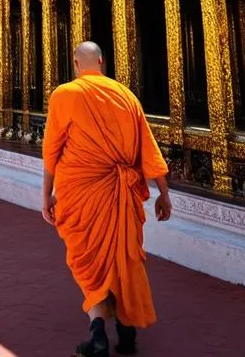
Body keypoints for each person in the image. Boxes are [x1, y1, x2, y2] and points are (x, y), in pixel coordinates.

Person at [42, 42, 172, 357]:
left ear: (76, 64)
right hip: (121, 193)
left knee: (87, 261)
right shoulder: (127, 96)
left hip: (79, 192)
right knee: (124, 257)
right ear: (101, 61)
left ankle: (98, 331)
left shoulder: (65, 94)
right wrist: (164, 194)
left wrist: (46, 194)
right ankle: (127, 333)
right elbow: (148, 148)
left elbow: (51, 150)